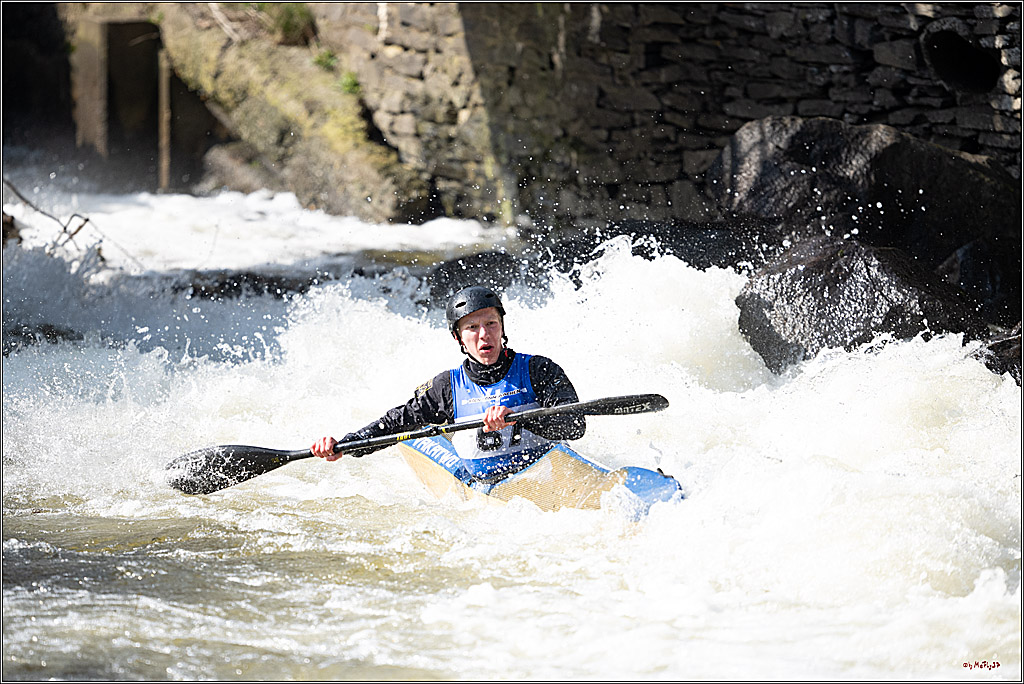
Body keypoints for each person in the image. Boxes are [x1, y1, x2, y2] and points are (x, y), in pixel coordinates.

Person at [310, 285, 586, 484]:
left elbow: (575, 426)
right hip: (490, 486)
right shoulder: (447, 388)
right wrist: (346, 444)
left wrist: (519, 420)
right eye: (472, 328)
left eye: (491, 323)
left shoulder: (539, 369)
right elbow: (397, 422)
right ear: (458, 338)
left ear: (502, 327)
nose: (484, 335)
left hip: (548, 476)